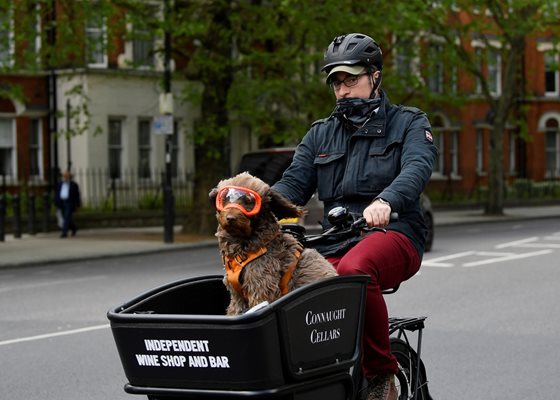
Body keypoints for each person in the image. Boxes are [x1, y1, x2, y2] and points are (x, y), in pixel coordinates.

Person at [272, 33, 437, 400]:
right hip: (336, 238)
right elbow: (293, 183)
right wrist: (259, 208)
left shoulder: (408, 122)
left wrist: (387, 200)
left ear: (374, 76)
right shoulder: (321, 134)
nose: (343, 89)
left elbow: (416, 169)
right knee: (285, 282)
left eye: (351, 79)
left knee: (353, 272)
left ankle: (381, 376)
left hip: (394, 233)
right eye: (336, 82)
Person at [55, 170, 81, 238]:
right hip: (62, 202)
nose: (65, 178)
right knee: (65, 217)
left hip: (69, 203)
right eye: (64, 176)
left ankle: (64, 232)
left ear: (70, 177)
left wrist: (78, 205)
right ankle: (73, 228)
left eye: (67, 176)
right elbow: (57, 194)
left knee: (67, 217)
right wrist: (56, 203)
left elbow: (77, 195)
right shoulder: (60, 184)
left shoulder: (74, 185)